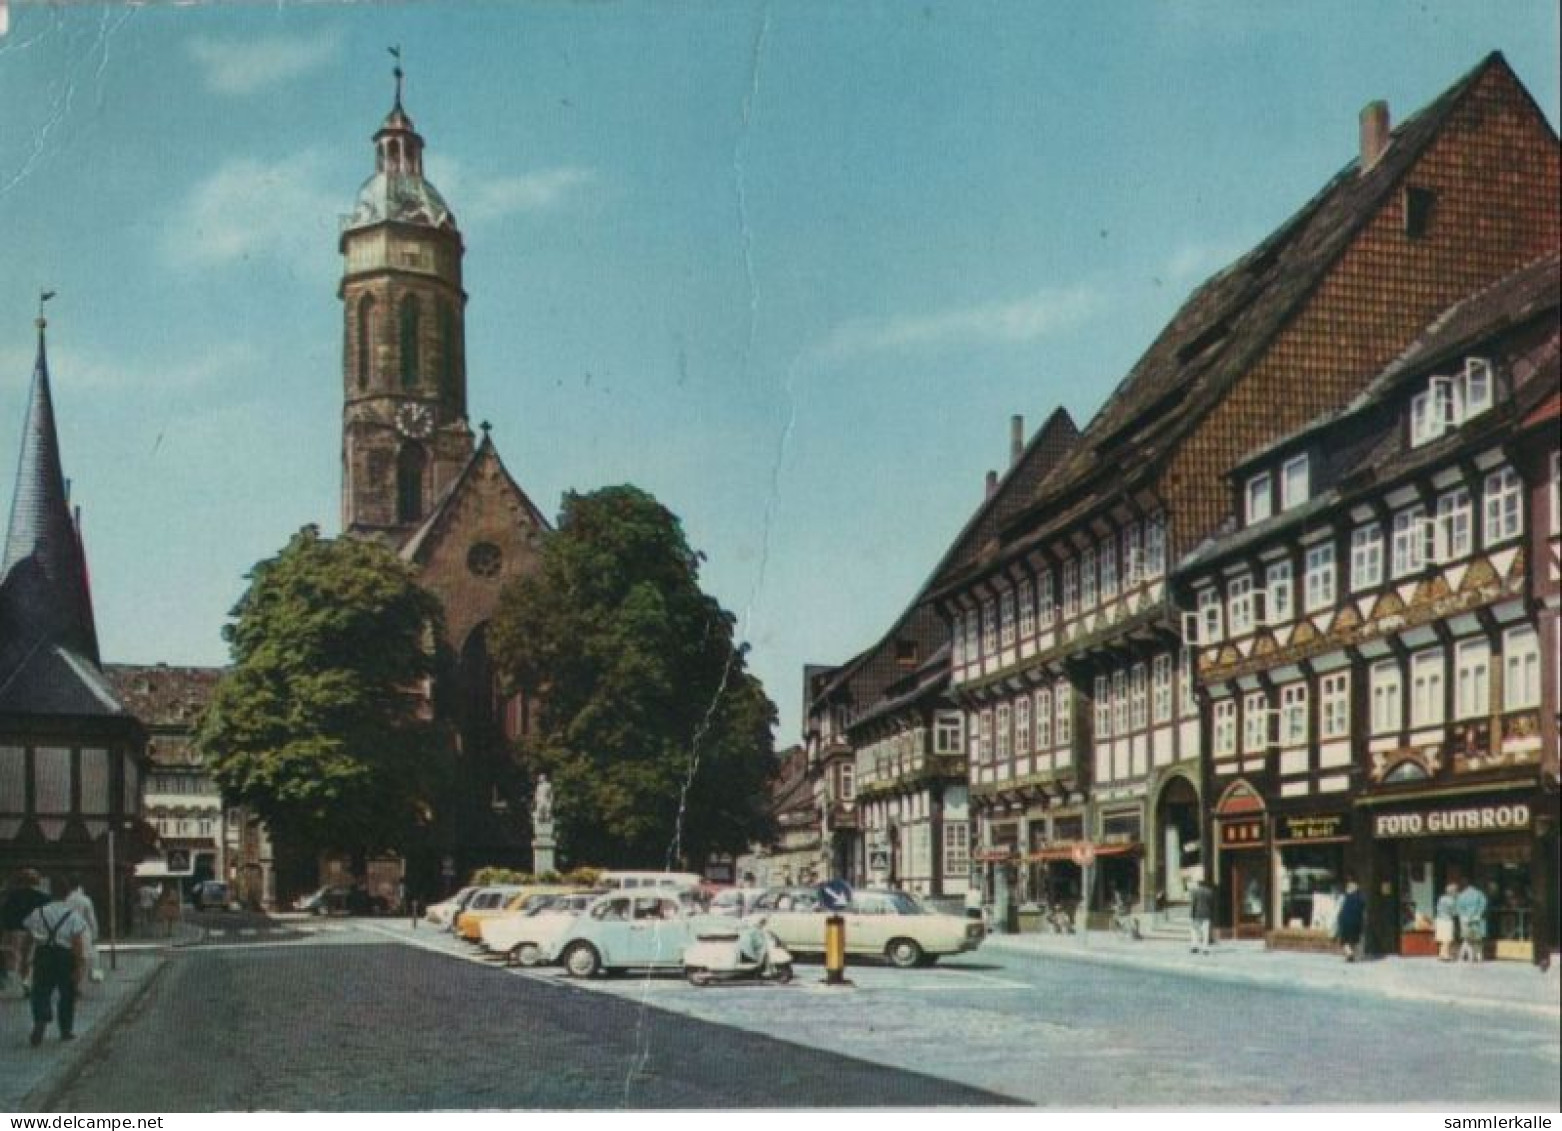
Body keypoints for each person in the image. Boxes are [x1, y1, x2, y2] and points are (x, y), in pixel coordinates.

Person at [22, 876, 87, 1045]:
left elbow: (28, 939)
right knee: (67, 993)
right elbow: (77, 942)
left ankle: (41, 1018)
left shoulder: (38, 912)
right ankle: (65, 1029)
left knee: (41, 990)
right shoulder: (72, 915)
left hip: (43, 954)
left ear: (51, 893)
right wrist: (79, 964)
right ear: (67, 895)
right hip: (64, 955)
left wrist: (24, 959)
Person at [2, 869, 49, 995]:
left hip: (17, 930)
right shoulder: (43, 897)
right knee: (31, 956)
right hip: (36, 930)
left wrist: (7, 930)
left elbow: (6, 914)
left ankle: (20, 979)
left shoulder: (13, 896)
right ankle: (28, 979)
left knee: (18, 955)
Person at [64, 876, 101, 984]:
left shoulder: (66, 900)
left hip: (69, 932)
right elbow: (91, 919)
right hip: (84, 932)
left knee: (74, 958)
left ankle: (74, 981)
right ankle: (87, 979)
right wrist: (95, 934)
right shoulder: (85, 900)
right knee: (86, 958)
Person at [1456, 880, 1488, 964]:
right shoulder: (1480, 894)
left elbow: (1459, 908)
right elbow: (1483, 905)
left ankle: (1466, 957)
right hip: (1478, 920)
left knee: (1467, 939)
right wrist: (1478, 914)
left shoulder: (1462, 895)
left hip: (1465, 919)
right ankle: (1479, 957)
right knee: (1478, 939)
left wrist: (1464, 917)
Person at [1336, 880, 1366, 962]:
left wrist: (1339, 920)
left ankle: (1350, 954)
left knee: (1344, 940)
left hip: (1345, 921)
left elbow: (1340, 910)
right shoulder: (1361, 898)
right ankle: (1355, 955)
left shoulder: (1345, 898)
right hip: (1357, 922)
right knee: (1355, 939)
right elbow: (1363, 910)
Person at [1188, 875, 1215, 954]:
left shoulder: (1195, 892)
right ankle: (1205, 948)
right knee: (1205, 931)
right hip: (1206, 914)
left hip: (1196, 914)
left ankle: (1195, 946)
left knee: (1194, 930)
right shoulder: (1209, 891)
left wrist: (1191, 914)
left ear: (1198, 884)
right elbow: (1211, 904)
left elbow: (1193, 904)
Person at [1434, 882, 1459, 962]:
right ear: (1453, 892)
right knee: (1447, 939)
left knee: (1442, 938)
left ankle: (1441, 954)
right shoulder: (1451, 900)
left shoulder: (1442, 898)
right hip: (1447, 920)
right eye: (1456, 891)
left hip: (1439, 919)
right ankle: (1445, 955)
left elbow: (1437, 908)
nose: (1457, 892)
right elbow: (1454, 912)